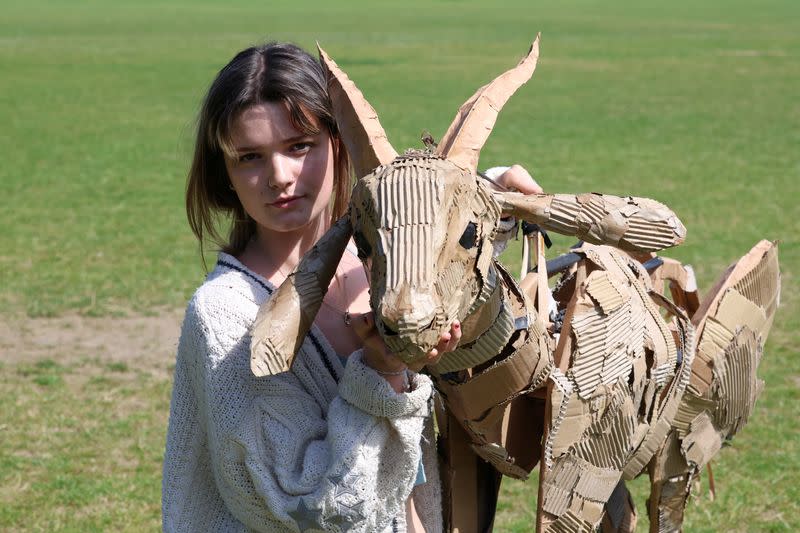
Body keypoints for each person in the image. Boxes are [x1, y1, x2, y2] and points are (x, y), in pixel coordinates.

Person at [162, 41, 541, 533]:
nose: (280, 176)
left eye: (300, 146)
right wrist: (381, 371)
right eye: (250, 157)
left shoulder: (383, 259)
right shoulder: (226, 316)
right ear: (225, 175)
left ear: (338, 143)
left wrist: (493, 188)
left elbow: (444, 235)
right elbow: (317, 509)